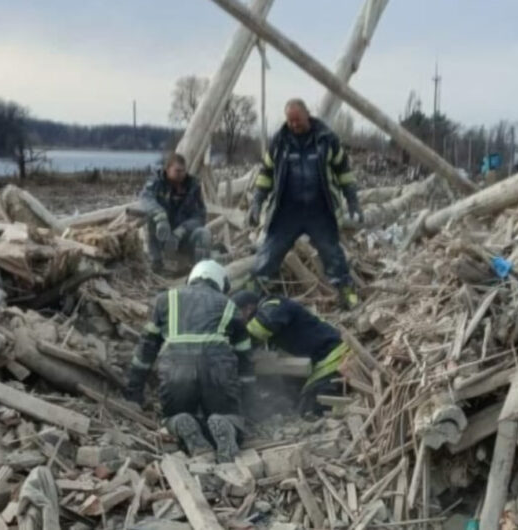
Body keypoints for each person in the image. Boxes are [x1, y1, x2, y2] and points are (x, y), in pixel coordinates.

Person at [124, 260, 253, 462]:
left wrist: (134, 393)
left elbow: (146, 350)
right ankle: (226, 423)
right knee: (228, 416)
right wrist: (246, 401)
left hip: (176, 369)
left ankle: (181, 423)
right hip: (217, 368)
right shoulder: (229, 305)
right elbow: (245, 357)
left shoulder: (165, 299)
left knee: (171, 417)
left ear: (191, 277)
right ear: (220, 283)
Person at [247, 99, 362, 309]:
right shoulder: (279, 142)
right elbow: (265, 174)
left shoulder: (327, 140)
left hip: (320, 210)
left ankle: (346, 291)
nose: (294, 125)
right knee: (269, 252)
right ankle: (253, 295)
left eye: (297, 120)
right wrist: (256, 202)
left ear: (307, 115)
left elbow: (343, 170)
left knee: (332, 253)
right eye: (290, 121)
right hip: (287, 211)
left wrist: (352, 200)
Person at [231, 290, 350, 413]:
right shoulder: (271, 310)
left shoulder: (274, 304)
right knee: (295, 396)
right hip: (321, 359)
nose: (240, 321)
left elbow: (262, 327)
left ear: (248, 309)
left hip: (333, 356)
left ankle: (340, 413)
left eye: (239, 315)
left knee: (312, 406)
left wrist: (236, 341)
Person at [140, 153, 209, 274]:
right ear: (167, 169)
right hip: (162, 234)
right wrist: (160, 216)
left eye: (183, 171)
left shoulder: (193, 186)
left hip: (183, 236)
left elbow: (200, 216)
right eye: (177, 171)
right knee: (151, 220)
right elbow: (146, 199)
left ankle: (198, 271)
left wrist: (181, 231)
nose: (181, 175)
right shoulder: (157, 183)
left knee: (204, 233)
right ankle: (156, 264)